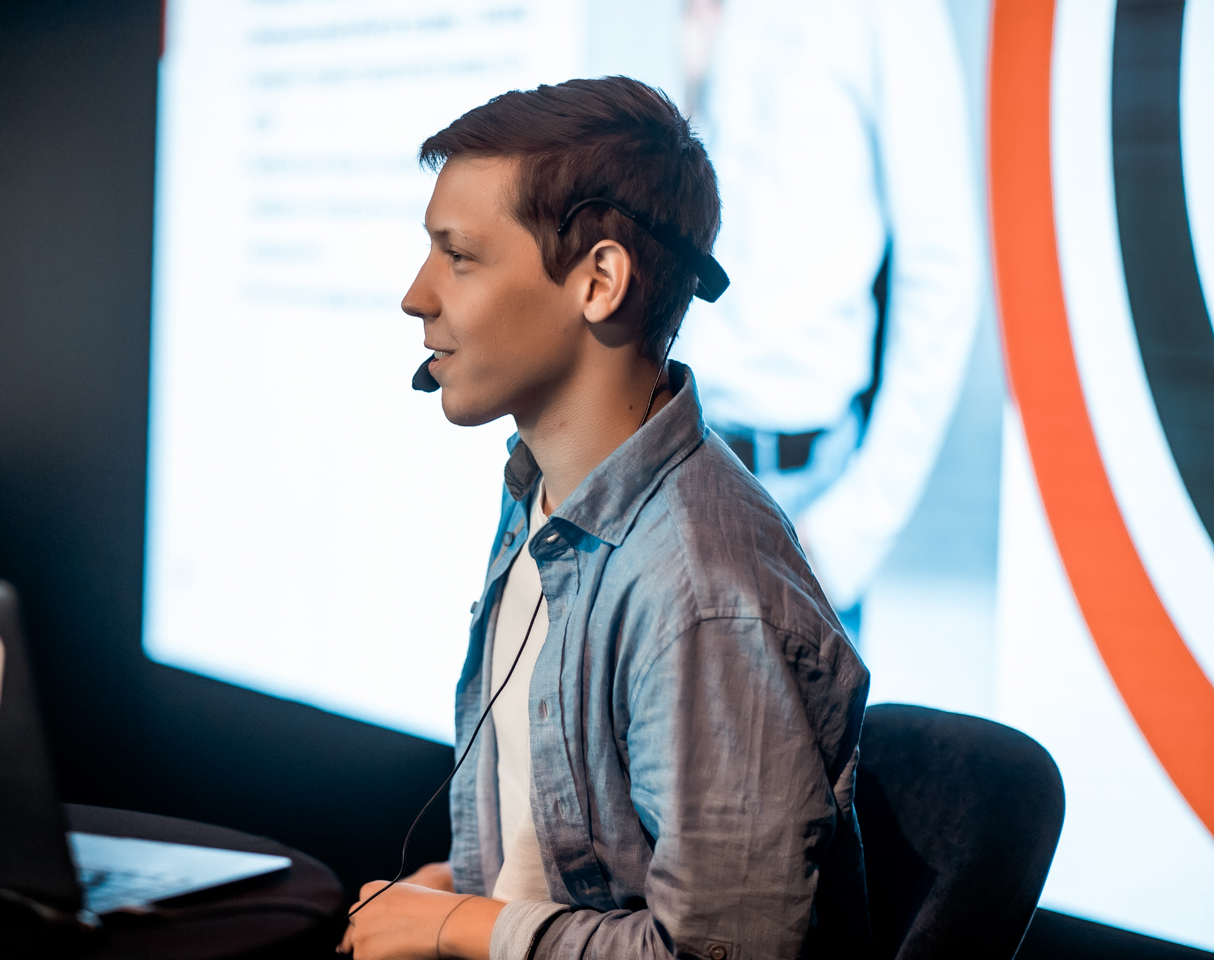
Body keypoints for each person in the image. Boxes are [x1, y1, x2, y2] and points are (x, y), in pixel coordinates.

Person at [339, 77, 870, 960]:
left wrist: (463, 928)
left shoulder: (701, 594)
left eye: (458, 256)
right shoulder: (543, 496)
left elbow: (719, 952)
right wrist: (468, 894)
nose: (416, 295)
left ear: (599, 281)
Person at [676, 0, 983, 617]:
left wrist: (848, 533)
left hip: (796, 495)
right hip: (668, 459)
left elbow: (942, 271)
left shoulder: (892, 14)